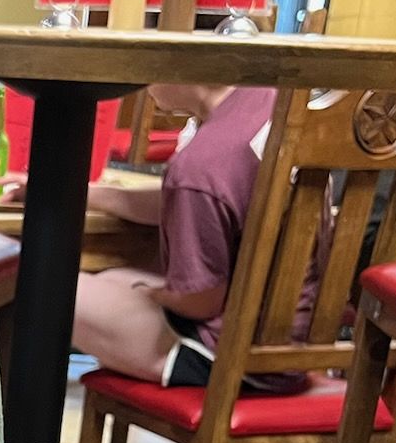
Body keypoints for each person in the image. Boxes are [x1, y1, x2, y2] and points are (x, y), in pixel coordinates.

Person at [62, 83, 315, 392]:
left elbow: (201, 302)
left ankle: (11, 430)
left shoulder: (200, 165)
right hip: (293, 344)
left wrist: (156, 294)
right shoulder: (266, 101)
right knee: (113, 278)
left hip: (230, 361)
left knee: (47, 285)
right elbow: (191, 200)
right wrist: (81, 194)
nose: (144, 86)